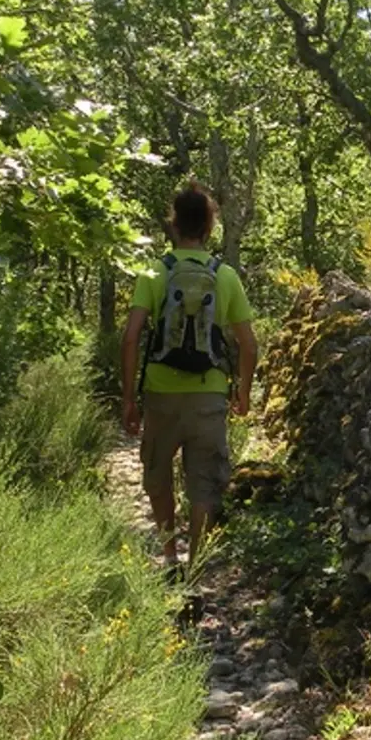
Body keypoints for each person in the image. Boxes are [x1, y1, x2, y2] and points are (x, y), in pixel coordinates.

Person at [120, 184, 257, 574]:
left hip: (161, 393)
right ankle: (195, 571)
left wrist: (129, 398)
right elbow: (248, 345)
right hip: (209, 393)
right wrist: (242, 392)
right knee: (205, 482)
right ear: (210, 226)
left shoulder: (154, 272)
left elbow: (131, 337)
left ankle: (169, 558)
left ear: (174, 224)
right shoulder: (225, 276)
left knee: (157, 474)